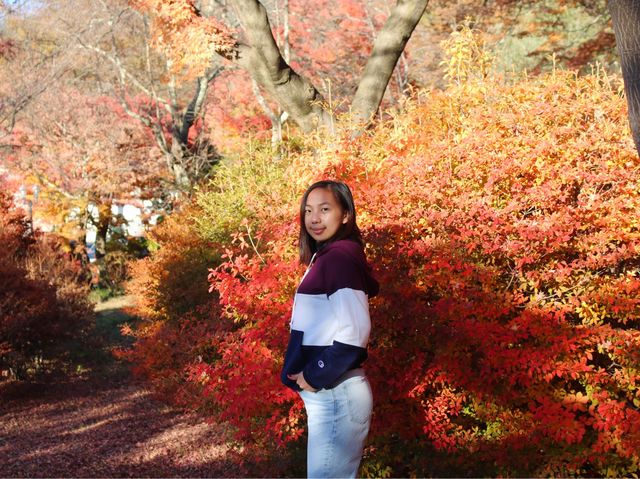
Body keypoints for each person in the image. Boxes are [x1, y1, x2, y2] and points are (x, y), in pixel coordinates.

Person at [281, 180, 379, 478]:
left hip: (336, 392)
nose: (314, 218)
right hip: (333, 394)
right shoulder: (328, 257)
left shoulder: (338, 259)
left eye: (325, 209)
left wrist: (314, 374)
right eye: (308, 210)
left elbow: (355, 333)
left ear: (346, 214)